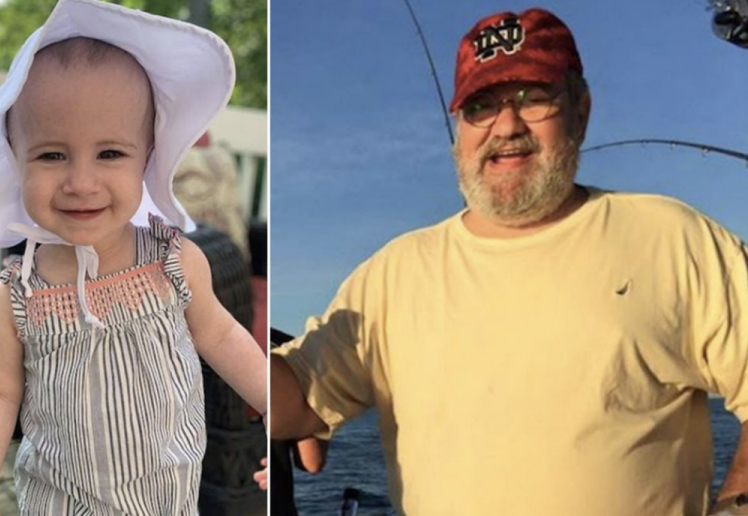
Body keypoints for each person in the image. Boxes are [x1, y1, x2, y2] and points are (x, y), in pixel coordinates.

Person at [270, 7, 748, 516]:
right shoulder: (393, 274)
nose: (507, 125)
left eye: (534, 98)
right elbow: (291, 406)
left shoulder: (673, 239)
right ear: (459, 129)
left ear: (580, 111)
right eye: (480, 105)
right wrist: (214, 317)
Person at [0, 1, 267, 514]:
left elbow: (220, 336)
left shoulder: (174, 264)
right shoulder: (14, 299)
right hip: (60, 502)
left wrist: (271, 407)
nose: (81, 182)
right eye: (52, 155)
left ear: (147, 157)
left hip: (167, 497)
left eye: (110, 154)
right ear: (16, 158)